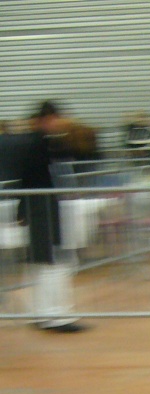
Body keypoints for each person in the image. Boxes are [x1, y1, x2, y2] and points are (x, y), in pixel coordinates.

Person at [0, 101, 88, 332]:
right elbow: (32, 179)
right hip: (43, 210)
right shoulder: (38, 144)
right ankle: (55, 316)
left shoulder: (39, 142)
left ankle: (42, 313)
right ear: (48, 119)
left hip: (40, 209)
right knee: (52, 263)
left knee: (42, 264)